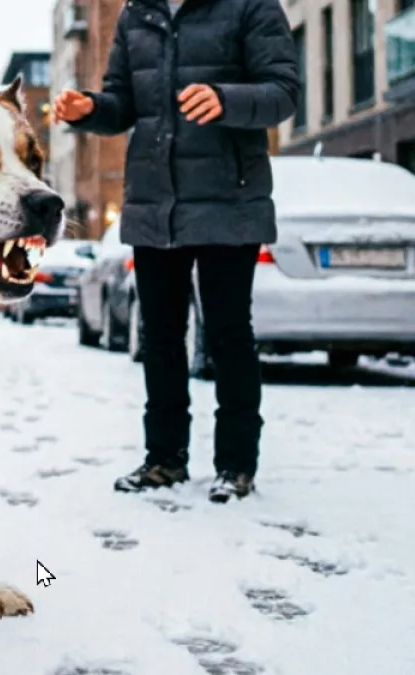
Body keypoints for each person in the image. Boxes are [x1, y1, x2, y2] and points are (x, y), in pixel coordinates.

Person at [52, 0, 299, 503]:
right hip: (153, 202)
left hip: (229, 200)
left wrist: (226, 99)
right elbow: (125, 102)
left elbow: (283, 93)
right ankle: (164, 460)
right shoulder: (136, 14)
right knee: (159, 335)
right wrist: (92, 109)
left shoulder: (249, 7)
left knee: (229, 334)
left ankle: (236, 465)